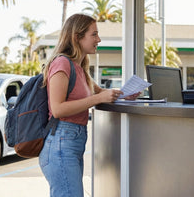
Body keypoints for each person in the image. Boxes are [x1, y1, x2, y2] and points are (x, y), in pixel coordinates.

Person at [39, 13, 139, 197]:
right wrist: (97, 100)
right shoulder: (62, 63)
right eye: (94, 34)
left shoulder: (80, 67)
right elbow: (58, 108)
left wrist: (125, 96)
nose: (98, 39)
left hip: (72, 141)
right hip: (61, 141)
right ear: (77, 37)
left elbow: (100, 93)